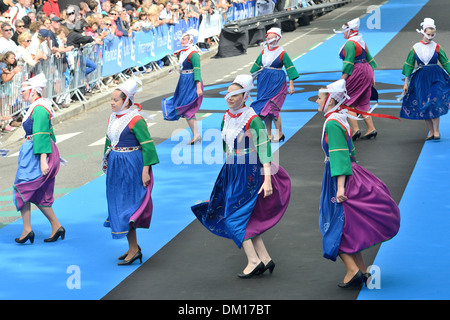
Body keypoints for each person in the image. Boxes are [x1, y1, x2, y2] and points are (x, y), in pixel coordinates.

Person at [191, 74, 291, 278]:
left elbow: (264, 150)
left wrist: (268, 179)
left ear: (245, 96)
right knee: (247, 215)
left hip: (249, 171)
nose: (229, 98)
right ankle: (264, 258)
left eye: (235, 95)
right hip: (232, 169)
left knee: (232, 216)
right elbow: (225, 146)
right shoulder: (226, 117)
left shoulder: (253, 120)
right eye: (228, 94)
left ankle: (253, 261)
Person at [316, 79, 400, 288]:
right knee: (349, 225)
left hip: (339, 177)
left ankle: (352, 270)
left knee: (334, 225)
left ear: (330, 100)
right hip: (348, 173)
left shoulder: (333, 123)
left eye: (319, 98)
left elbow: (340, 157)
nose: (316, 101)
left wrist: (341, 188)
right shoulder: (340, 118)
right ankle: (362, 271)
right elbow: (350, 152)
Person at [103, 78, 159, 265]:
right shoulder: (113, 118)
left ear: (126, 100)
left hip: (131, 166)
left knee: (129, 207)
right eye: (111, 99)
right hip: (116, 165)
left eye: (115, 100)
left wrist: (145, 171)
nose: (112, 103)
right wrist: (106, 161)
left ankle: (134, 249)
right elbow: (109, 141)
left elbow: (148, 146)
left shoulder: (136, 119)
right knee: (118, 203)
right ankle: (132, 247)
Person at [13, 73, 65, 244]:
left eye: (24, 90)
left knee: (24, 188)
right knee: (32, 191)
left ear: (33, 91)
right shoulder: (36, 107)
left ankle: (32, 229)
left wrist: (44, 159)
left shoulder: (40, 108)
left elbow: (43, 134)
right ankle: (48, 227)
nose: (21, 93)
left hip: (37, 153)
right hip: (32, 151)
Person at [400, 18, 450, 141]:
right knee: (424, 104)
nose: (431, 37)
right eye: (428, 34)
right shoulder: (415, 47)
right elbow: (409, 65)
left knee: (434, 100)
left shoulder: (437, 47)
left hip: (436, 76)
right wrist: (406, 82)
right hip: (421, 79)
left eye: (433, 35)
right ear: (423, 32)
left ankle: (437, 130)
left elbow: (445, 62)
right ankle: (431, 131)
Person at [249, 27, 299, 142]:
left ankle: (279, 132)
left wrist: (291, 85)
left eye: (272, 38)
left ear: (277, 38)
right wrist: (250, 79)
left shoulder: (282, 53)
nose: (269, 40)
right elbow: (256, 65)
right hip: (263, 80)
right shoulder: (263, 51)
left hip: (277, 81)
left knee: (273, 108)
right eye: (268, 37)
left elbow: (290, 68)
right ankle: (269, 134)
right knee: (264, 109)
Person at [334, 18, 378, 140]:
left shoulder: (350, 43)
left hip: (356, 71)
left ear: (350, 30)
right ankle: (371, 129)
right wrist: (372, 76)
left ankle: (356, 130)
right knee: (363, 102)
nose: (343, 33)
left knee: (348, 101)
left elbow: (348, 62)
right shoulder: (361, 41)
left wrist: (342, 79)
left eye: (344, 30)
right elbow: (370, 59)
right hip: (367, 71)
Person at [161, 29, 203, 144]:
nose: (182, 41)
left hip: (191, 82)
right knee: (187, 108)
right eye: (182, 39)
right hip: (184, 81)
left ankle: (196, 135)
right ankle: (196, 135)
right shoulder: (184, 52)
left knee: (187, 108)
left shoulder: (193, 54)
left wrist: (198, 86)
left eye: (184, 39)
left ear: (190, 40)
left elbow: (197, 70)